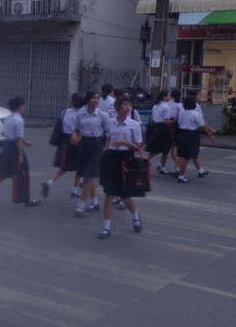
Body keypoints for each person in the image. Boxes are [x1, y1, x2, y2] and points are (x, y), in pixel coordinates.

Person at [97, 96, 144, 239]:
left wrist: (125, 142)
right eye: (124, 104)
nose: (127, 107)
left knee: (124, 194)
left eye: (129, 105)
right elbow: (109, 140)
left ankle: (136, 216)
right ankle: (106, 228)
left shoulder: (134, 124)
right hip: (111, 158)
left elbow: (138, 147)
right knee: (109, 193)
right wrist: (105, 149)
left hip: (126, 159)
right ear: (117, 107)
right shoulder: (110, 123)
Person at [0, 96, 37, 208]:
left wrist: (25, 142)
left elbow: (12, 135)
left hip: (7, 147)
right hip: (15, 149)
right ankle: (27, 199)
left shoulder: (8, 118)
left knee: (3, 173)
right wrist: (21, 154)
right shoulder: (19, 120)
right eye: (23, 105)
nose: (24, 107)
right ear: (20, 107)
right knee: (23, 173)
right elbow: (18, 139)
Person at [73, 91, 109, 217]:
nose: (96, 100)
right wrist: (77, 137)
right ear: (88, 100)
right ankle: (95, 202)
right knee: (87, 174)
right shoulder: (80, 114)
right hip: (84, 144)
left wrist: (106, 146)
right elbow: (77, 129)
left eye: (98, 98)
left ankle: (81, 206)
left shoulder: (102, 115)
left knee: (88, 176)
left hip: (96, 144)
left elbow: (108, 131)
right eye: (94, 98)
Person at [42, 93, 83, 199]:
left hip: (65, 141)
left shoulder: (65, 112)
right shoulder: (82, 113)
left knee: (64, 167)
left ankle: (49, 183)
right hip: (77, 140)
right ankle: (75, 190)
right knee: (80, 167)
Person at [175, 94, 216, 184]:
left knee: (184, 155)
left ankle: (180, 170)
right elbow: (202, 125)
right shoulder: (196, 114)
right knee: (187, 157)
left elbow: (179, 122)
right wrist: (210, 134)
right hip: (191, 135)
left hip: (181, 133)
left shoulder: (182, 112)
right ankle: (181, 175)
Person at [145, 90, 175, 174]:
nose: (170, 97)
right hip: (164, 128)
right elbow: (166, 121)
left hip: (156, 127)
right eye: (168, 96)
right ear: (164, 97)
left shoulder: (155, 106)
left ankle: (147, 160)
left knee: (155, 149)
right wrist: (173, 121)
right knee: (165, 149)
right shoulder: (166, 107)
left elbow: (152, 119)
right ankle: (162, 167)